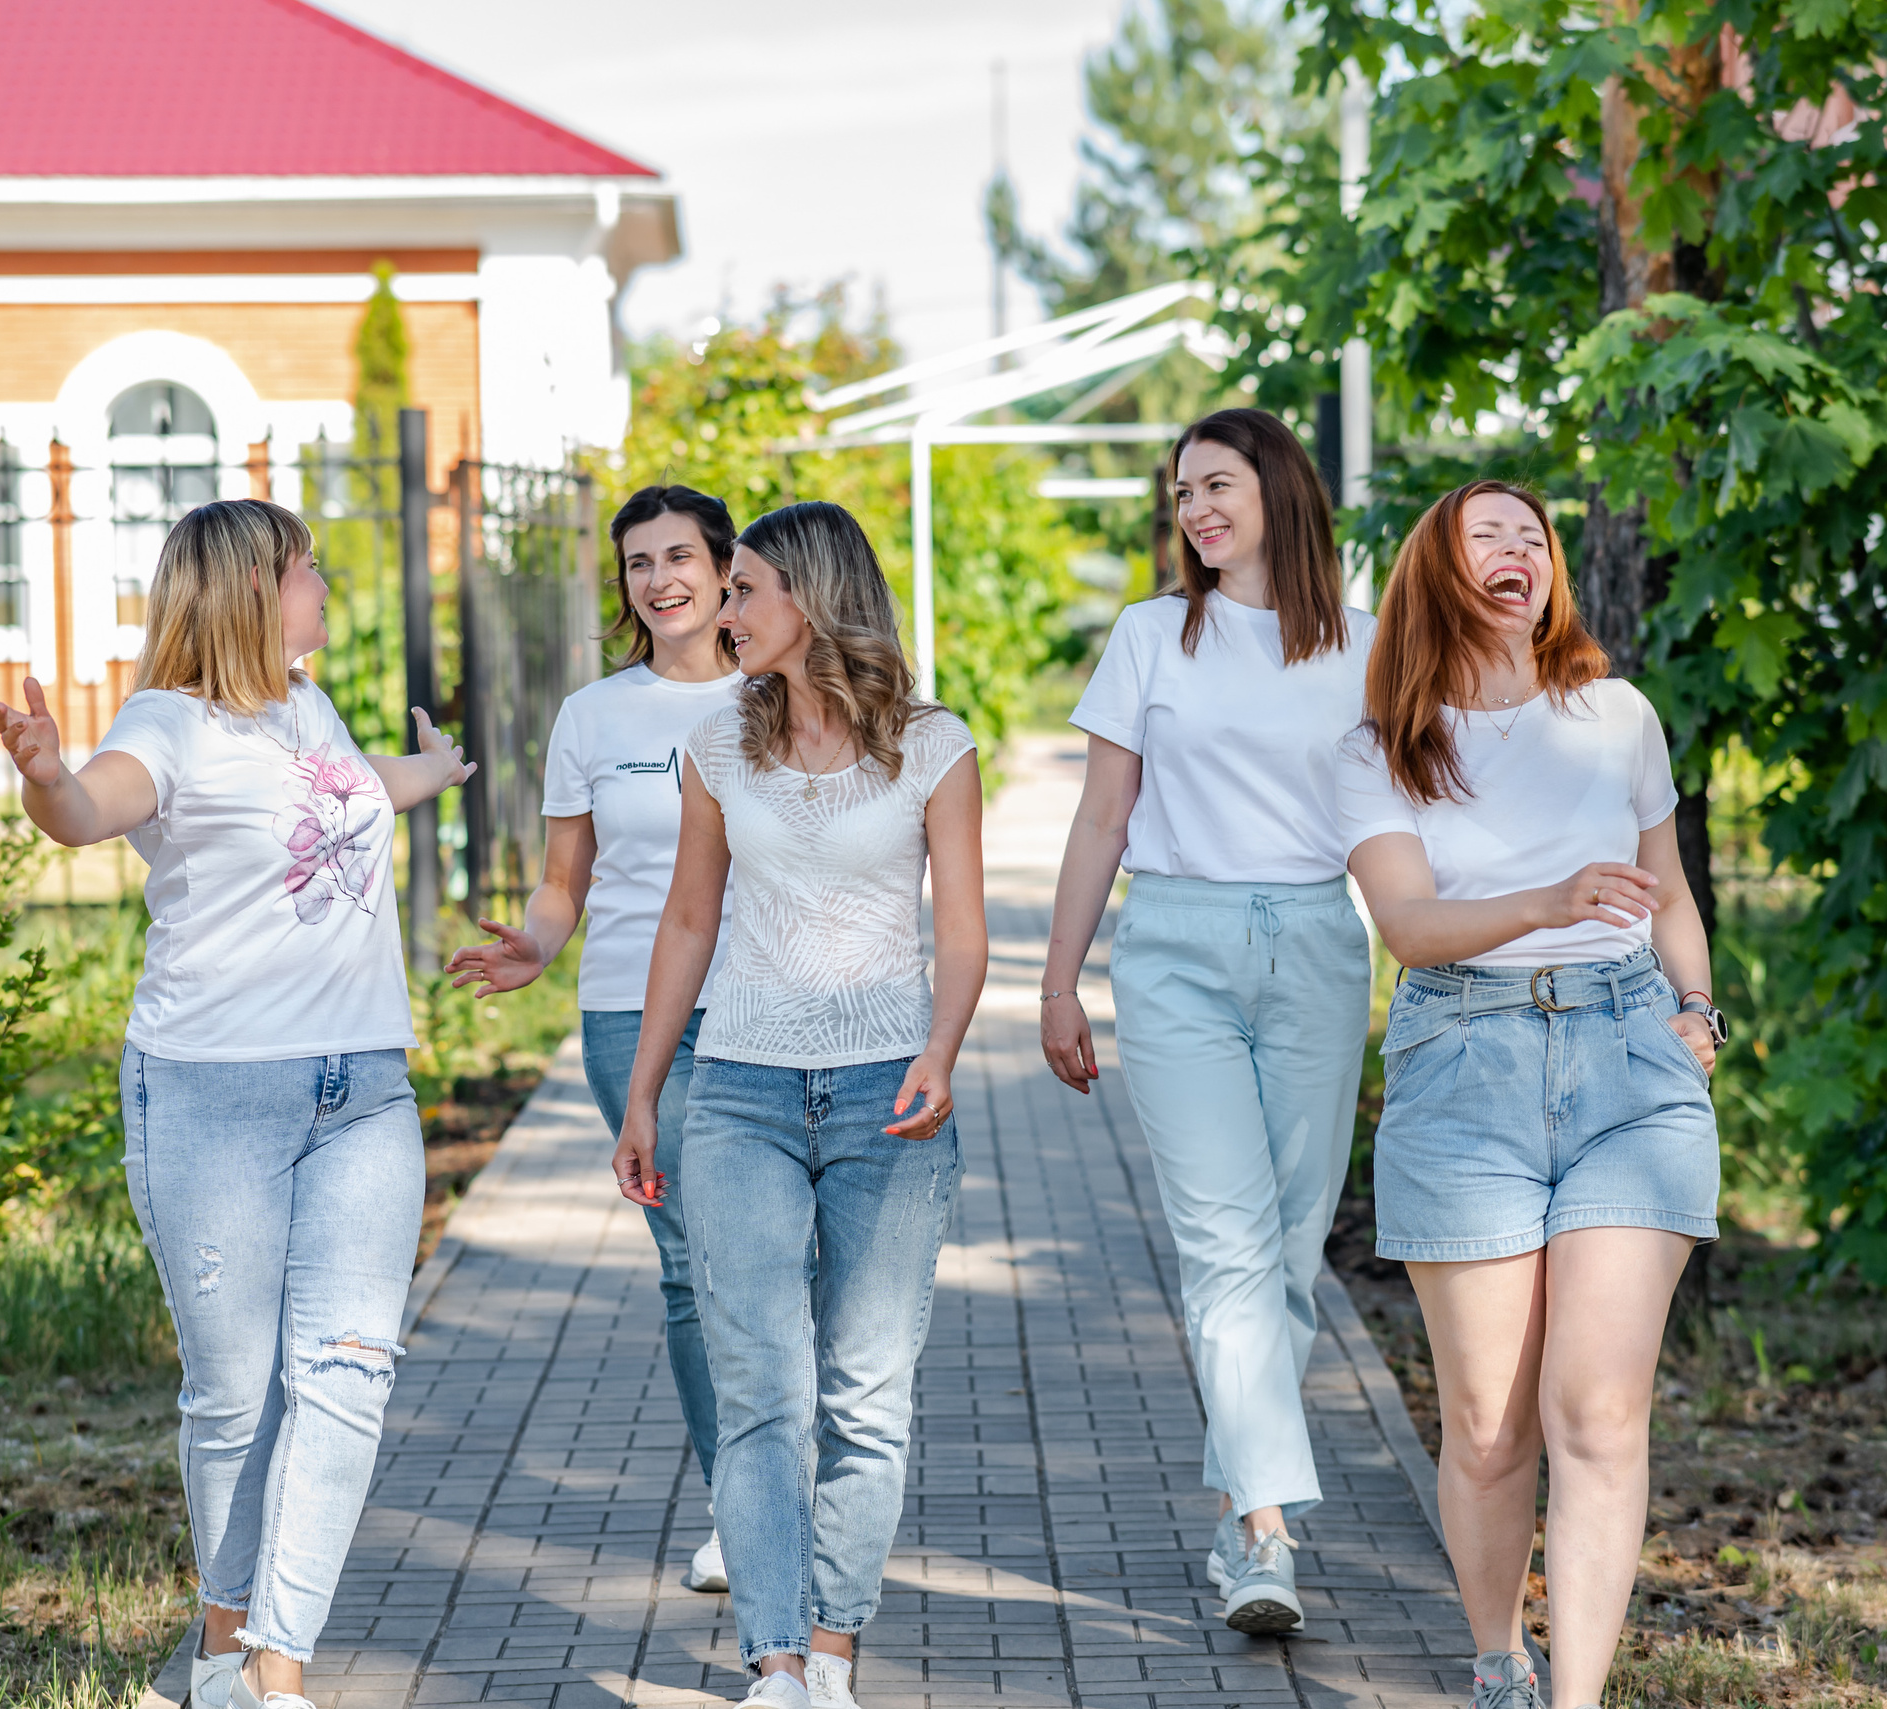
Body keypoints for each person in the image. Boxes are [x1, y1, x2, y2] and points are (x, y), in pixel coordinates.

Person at [0, 499, 473, 1709]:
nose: (324, 584)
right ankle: (220, 1635)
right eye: (306, 568)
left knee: (349, 1371)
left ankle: (274, 1666)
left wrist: (437, 769)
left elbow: (347, 791)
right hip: (214, 1093)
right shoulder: (167, 722)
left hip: (364, 1087)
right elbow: (92, 807)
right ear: (250, 586)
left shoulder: (306, 702)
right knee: (238, 1394)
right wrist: (46, 776)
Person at [1337, 479, 1722, 1709]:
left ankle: (1578, 1696)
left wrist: (1698, 1008)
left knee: (1596, 1411)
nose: (1519, 551)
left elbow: (1668, 890)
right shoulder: (1381, 747)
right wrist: (1548, 901)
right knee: (1490, 1422)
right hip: (1463, 1066)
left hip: (1629, 1062)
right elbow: (1409, 925)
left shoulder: (1616, 715)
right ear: (1437, 575)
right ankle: (1500, 1657)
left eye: (1532, 536)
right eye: (1485, 536)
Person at [614, 500, 986, 1709]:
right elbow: (688, 919)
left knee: (866, 1396)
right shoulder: (718, 746)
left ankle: (832, 1651)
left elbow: (962, 928)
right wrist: (642, 1092)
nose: (724, 612)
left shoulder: (932, 744)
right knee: (762, 1389)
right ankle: (773, 1659)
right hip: (740, 1092)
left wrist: (942, 1049)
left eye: (743, 590)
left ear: (813, 599)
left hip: (890, 1095)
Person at [1037, 407, 1377, 1634]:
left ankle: (1240, 1503)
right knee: (1225, 1245)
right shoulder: (1150, 634)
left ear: (1279, 488)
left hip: (1319, 946)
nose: (1195, 510)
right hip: (1176, 948)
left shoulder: (1368, 646)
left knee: (1288, 1250)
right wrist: (1057, 979)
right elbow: (1100, 817)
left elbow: (1418, 809)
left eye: (1217, 484)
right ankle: (1265, 1531)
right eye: (1182, 492)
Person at [445, 483, 742, 1592]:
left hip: (766, 1003)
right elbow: (565, 880)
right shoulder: (593, 715)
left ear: (725, 569)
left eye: (679, 556)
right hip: (630, 1011)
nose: (659, 579)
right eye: (638, 563)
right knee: (692, 1261)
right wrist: (536, 941)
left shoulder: (775, 692)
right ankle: (742, 1503)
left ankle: (792, 1478)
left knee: (771, 1257)